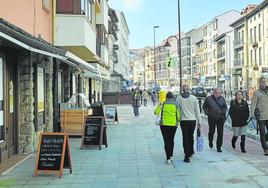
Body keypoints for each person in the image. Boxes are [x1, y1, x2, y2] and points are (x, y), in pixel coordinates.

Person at [154, 91, 180, 164]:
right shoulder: (175, 105)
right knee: (171, 140)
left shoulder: (163, 104)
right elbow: (178, 116)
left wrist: (160, 104)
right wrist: (177, 120)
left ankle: (168, 158)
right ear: (172, 97)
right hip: (173, 125)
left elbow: (156, 112)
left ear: (166, 97)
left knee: (166, 141)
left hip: (164, 125)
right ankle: (171, 155)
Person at [177, 85, 201, 163]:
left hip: (183, 121)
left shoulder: (179, 98)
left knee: (185, 137)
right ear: (189, 90)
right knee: (191, 136)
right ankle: (191, 151)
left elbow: (177, 110)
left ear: (182, 90)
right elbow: (197, 111)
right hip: (192, 120)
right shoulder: (193, 98)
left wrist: (177, 120)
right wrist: (199, 121)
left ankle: (186, 155)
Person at [202, 88, 227, 152]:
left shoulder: (222, 98)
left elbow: (225, 107)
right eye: (215, 93)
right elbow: (204, 107)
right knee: (211, 131)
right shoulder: (208, 99)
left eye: (218, 93)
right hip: (211, 118)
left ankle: (219, 147)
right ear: (213, 92)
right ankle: (210, 141)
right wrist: (208, 113)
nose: (217, 94)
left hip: (220, 118)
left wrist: (223, 112)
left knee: (220, 133)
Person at [251, 77, 268, 155]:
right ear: (259, 83)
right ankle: (265, 148)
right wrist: (252, 114)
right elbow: (253, 104)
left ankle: (265, 140)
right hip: (261, 116)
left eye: (264, 81)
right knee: (262, 133)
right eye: (262, 81)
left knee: (265, 135)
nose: (263, 83)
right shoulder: (256, 92)